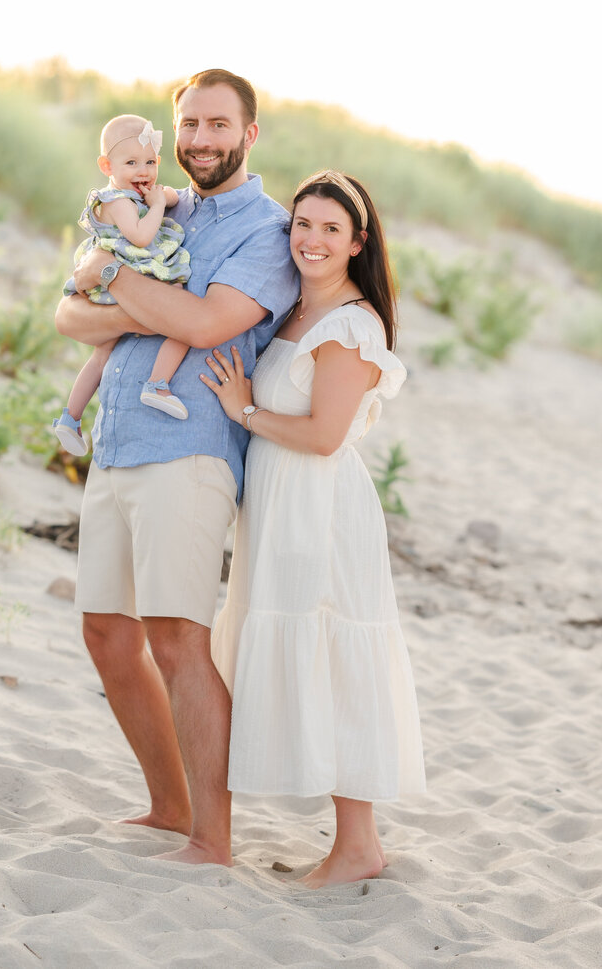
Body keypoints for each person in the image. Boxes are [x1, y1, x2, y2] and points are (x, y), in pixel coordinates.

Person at [54, 69, 299, 866]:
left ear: (250, 133)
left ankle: (213, 837)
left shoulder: (266, 231)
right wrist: (140, 300)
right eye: (189, 125)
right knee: (105, 632)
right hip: (118, 437)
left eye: (218, 126)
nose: (200, 140)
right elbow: (65, 312)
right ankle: (168, 806)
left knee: (176, 638)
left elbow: (206, 319)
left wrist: (115, 281)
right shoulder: (150, 203)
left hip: (189, 448)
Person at [203, 170, 426, 887]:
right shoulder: (298, 312)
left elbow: (326, 435)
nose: (312, 239)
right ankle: (349, 844)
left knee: (331, 660)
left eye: (331, 229)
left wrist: (243, 410)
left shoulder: (350, 327)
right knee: (313, 657)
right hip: (283, 507)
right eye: (303, 224)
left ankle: (359, 846)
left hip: (320, 510)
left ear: (358, 242)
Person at [53, 114, 193, 456]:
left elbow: (172, 196)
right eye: (131, 163)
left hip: (122, 276)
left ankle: (69, 418)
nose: (142, 172)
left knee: (103, 353)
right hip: (121, 275)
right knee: (183, 314)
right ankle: (157, 384)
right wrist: (158, 204)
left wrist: (166, 195)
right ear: (106, 165)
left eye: (149, 162)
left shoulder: (133, 194)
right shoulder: (116, 200)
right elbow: (142, 238)